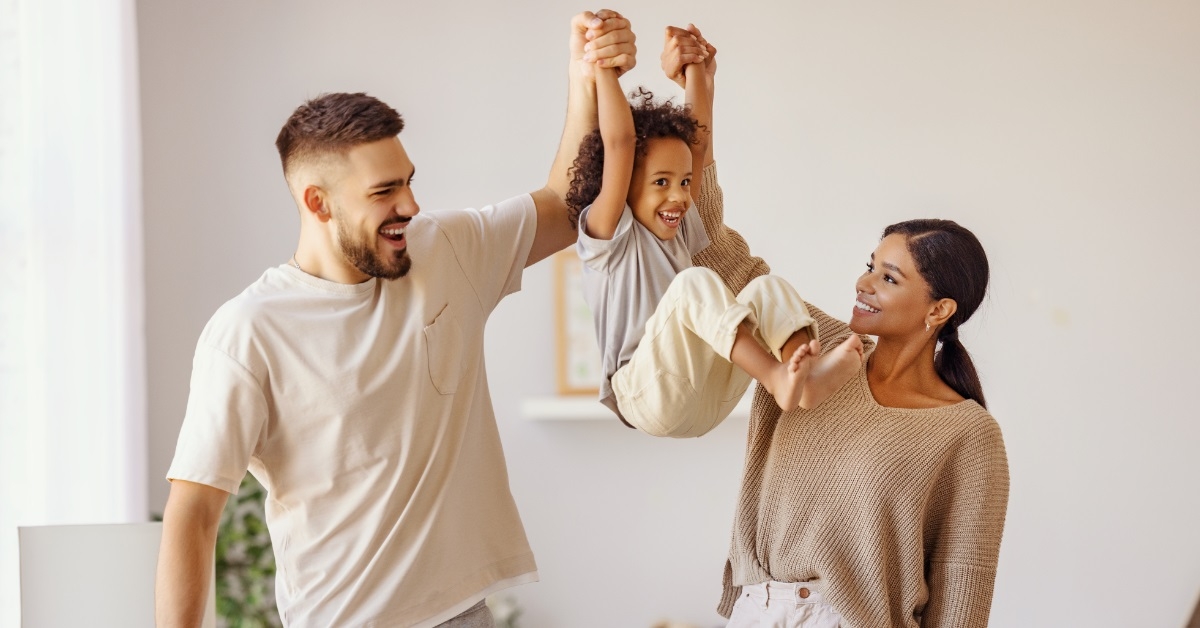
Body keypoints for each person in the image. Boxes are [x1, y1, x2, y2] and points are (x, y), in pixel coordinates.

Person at [154, 11, 636, 628]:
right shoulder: (249, 332)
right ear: (317, 202)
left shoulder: (447, 250)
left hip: (465, 614)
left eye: (408, 182)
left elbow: (567, 204)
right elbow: (193, 513)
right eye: (384, 192)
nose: (410, 204)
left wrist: (585, 77)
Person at [661, 25, 1010, 628]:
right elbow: (710, 240)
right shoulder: (807, 346)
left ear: (940, 310)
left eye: (890, 278)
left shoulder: (966, 433)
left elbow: (963, 588)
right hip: (757, 610)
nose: (863, 284)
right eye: (868, 267)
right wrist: (700, 90)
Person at [568, 32, 864, 438]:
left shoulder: (679, 230)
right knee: (695, 282)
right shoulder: (608, 238)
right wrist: (605, 68)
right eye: (661, 182)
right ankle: (777, 377)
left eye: (686, 182)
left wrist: (696, 74)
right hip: (643, 394)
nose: (680, 196)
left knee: (766, 288)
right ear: (622, 186)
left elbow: (699, 143)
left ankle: (803, 379)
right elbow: (620, 143)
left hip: (702, 399)